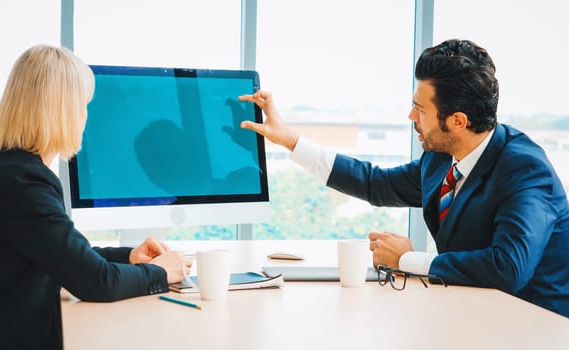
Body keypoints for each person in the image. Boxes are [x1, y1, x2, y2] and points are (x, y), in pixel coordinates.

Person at [239, 39, 569, 317]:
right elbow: (375, 183)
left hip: (533, 325)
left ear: (457, 121)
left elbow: (508, 268)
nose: (411, 117)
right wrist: (289, 141)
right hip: (471, 312)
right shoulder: (441, 158)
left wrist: (407, 260)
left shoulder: (524, 170)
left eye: (420, 109)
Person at [0, 45, 189, 348]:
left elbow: (68, 255)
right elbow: (95, 282)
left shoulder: (4, 167)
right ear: (64, 111)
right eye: (84, 105)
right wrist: (160, 273)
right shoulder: (24, 184)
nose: (86, 115)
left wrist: (128, 257)